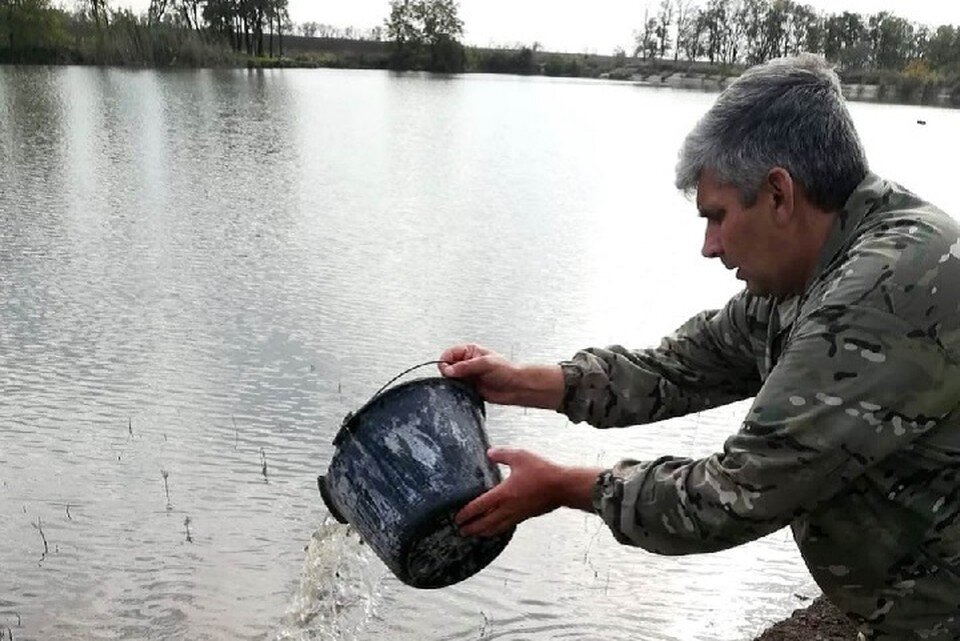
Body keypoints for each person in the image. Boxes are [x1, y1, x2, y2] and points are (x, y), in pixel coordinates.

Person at [438, 53, 960, 640]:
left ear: (779, 194)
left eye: (716, 217)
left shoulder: (884, 291)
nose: (708, 247)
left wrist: (561, 486)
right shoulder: (816, 265)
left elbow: (732, 496)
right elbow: (680, 368)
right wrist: (523, 382)